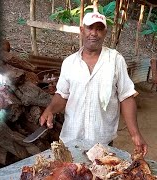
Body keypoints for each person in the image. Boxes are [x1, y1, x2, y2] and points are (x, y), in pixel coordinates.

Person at [39, 12, 148, 156]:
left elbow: (126, 97)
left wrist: (135, 134)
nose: (94, 33)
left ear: (105, 33)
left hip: (102, 143)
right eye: (90, 28)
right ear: (82, 30)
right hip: (71, 140)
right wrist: (50, 110)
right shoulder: (69, 63)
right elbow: (62, 95)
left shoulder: (115, 60)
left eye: (99, 29)